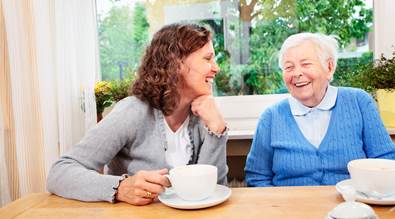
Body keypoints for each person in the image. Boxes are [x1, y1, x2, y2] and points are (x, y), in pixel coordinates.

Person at [47, 23, 228, 205]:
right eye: (208, 59)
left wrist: (217, 130)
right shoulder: (133, 112)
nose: (216, 68)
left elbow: (215, 190)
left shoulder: (204, 115)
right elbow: (60, 173)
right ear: (177, 63)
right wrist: (120, 187)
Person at [245, 32, 395, 187]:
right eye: (289, 67)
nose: (297, 73)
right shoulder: (271, 117)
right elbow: (257, 178)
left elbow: (385, 161)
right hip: (289, 208)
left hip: (351, 207)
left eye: (306, 64)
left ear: (329, 68)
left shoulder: (359, 102)